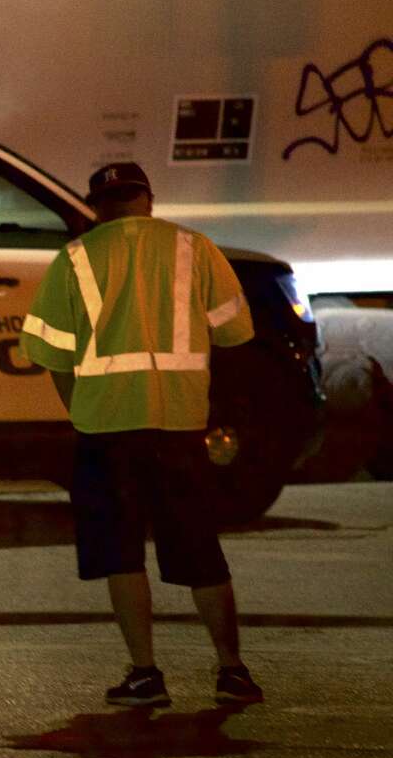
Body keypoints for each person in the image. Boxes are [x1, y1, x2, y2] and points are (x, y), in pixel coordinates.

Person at [21, 162, 264, 707]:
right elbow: (235, 333)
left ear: (98, 205)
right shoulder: (195, 249)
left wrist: (78, 407)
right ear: (148, 200)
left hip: (106, 429)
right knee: (201, 549)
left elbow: (48, 352)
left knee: (121, 554)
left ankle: (145, 674)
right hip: (180, 425)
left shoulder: (76, 258)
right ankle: (232, 671)